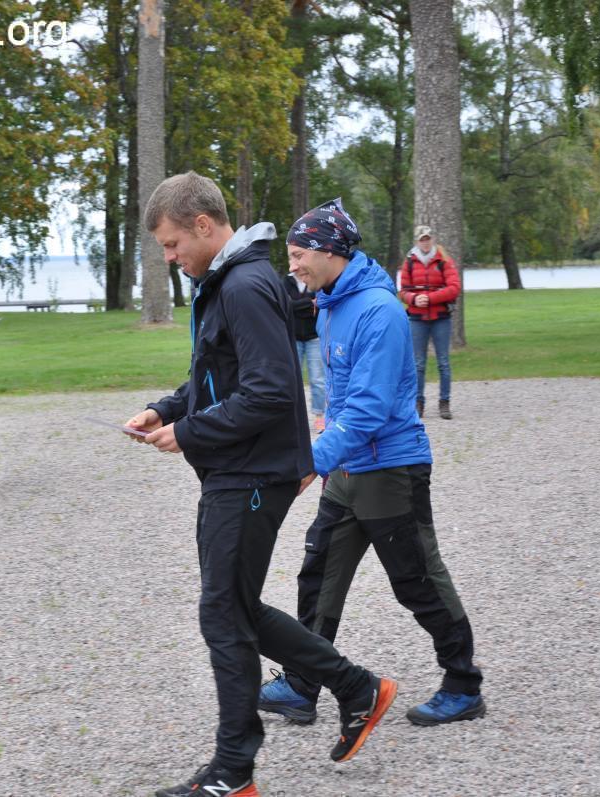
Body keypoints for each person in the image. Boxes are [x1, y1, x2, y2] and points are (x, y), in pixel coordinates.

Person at [125, 173, 397, 797]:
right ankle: (356, 687)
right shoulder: (227, 281)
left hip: (250, 475)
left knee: (223, 613)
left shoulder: (244, 285)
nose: (169, 258)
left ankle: (233, 771)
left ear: (202, 225)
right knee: (235, 607)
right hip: (237, 470)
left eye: (171, 244)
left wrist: (189, 432)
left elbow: (271, 391)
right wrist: (165, 409)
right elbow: (216, 376)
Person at [258, 199, 484, 728]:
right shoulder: (331, 302)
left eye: (298, 255)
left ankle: (463, 684)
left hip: (390, 470)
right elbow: (336, 395)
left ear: (329, 251)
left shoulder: (379, 310)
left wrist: (310, 462)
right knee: (319, 573)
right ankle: (302, 684)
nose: (292, 266)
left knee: (417, 579)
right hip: (347, 469)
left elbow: (368, 408)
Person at [399, 225, 460, 419]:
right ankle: (418, 403)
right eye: (422, 239)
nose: (425, 242)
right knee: (418, 364)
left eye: (428, 238)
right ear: (417, 241)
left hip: (441, 318)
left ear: (432, 239)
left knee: (443, 362)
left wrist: (430, 298)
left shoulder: (444, 260)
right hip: (417, 319)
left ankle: (444, 402)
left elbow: (454, 287)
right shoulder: (409, 261)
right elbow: (403, 291)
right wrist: (414, 299)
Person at [284, 272, 326, 431]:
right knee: (293, 378)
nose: (294, 263)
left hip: (314, 337)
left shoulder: (314, 278)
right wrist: (309, 303)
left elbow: (320, 303)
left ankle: (319, 416)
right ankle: (294, 416)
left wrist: (296, 306)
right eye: (291, 259)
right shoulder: (287, 281)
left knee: (317, 379)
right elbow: (286, 306)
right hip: (294, 337)